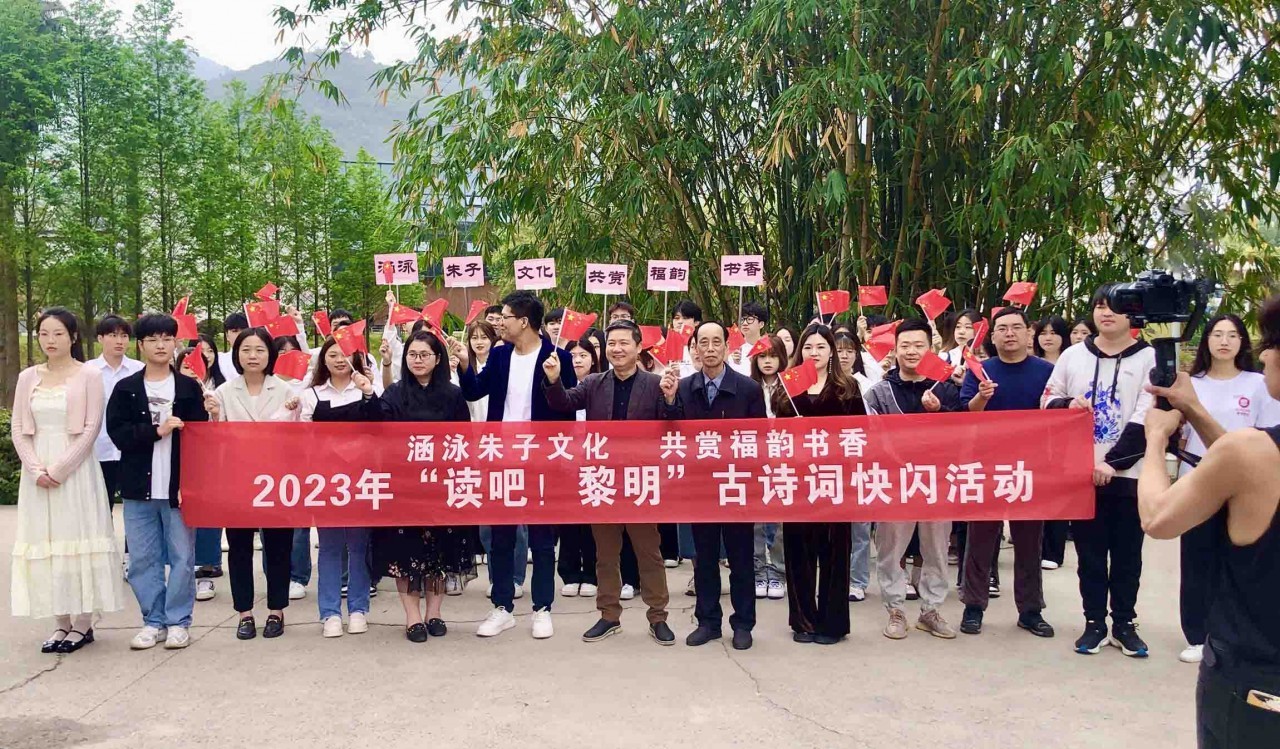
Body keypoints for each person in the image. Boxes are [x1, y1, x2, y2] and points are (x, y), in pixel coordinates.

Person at [1138, 294, 1280, 749]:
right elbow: (1240, 463)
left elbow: (1158, 518)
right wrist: (1196, 409)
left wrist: (1156, 440)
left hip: (1254, 683)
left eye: (1269, 343)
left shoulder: (1252, 453)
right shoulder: (1252, 454)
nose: (1263, 354)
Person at [544, 320, 676, 646]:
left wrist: (672, 398)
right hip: (602, 479)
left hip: (639, 480)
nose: (617, 349)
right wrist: (554, 380)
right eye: (612, 343)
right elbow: (564, 403)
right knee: (605, 554)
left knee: (649, 553)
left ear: (638, 347)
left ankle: (658, 617)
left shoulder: (655, 384)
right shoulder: (593, 383)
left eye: (624, 343)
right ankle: (608, 615)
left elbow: (672, 425)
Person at [1042, 285, 1156, 658]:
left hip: (1129, 474)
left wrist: (1113, 462)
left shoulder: (1149, 358)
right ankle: (1094, 622)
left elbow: (1148, 415)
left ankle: (1124, 623)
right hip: (1080, 472)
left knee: (1127, 555)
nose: (1106, 313)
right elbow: (1046, 400)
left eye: (1115, 307)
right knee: (1089, 555)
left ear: (1132, 314)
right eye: (1099, 306)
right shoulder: (1073, 355)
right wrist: (1066, 404)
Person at [456, 290, 576, 639]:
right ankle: (502, 607)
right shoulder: (500, 355)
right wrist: (464, 364)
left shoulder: (557, 357)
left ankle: (542, 608)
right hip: (501, 456)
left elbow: (568, 407)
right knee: (502, 536)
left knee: (541, 538)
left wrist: (554, 380)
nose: (500, 323)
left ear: (523, 321)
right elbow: (474, 391)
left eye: (506, 317)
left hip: (541, 459)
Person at [12, 308, 123, 654]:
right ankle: (60, 621)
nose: (50, 340)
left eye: (58, 333)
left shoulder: (88, 375)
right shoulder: (28, 377)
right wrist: (35, 469)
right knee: (45, 540)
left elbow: (91, 427)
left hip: (75, 471)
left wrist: (59, 469)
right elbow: (18, 427)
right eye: (44, 334)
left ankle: (83, 622)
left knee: (78, 537)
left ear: (73, 337)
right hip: (37, 471)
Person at [1171, 315, 1280, 664]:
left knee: (1237, 561)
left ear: (1243, 342)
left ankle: (1229, 632)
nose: (1224, 341)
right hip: (1198, 480)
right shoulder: (1191, 384)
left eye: (1232, 335)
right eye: (1217, 334)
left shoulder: (1259, 383)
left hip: (1247, 486)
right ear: (1206, 340)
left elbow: (1267, 435)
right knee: (1196, 560)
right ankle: (1196, 635)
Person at [108, 312, 210, 650]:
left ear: (175, 343)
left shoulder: (188, 387)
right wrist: (157, 430)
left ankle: (179, 621)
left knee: (182, 557)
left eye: (167, 338)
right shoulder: (126, 388)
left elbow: (202, 438)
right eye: (152, 339)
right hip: (138, 487)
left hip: (178, 488)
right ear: (141, 345)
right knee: (142, 559)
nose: (160, 345)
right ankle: (153, 621)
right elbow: (118, 434)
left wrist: (212, 414)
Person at [661, 320, 765, 650]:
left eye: (715, 342)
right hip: (700, 486)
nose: (709, 348)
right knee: (704, 558)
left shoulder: (748, 389)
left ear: (726, 347)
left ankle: (743, 623)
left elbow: (759, 440)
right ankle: (708, 622)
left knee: (740, 559)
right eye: (702, 342)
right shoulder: (684, 387)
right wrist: (668, 401)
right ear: (694, 348)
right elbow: (670, 432)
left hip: (736, 485)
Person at [958, 308, 1056, 638]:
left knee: (1029, 541)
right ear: (993, 336)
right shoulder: (980, 370)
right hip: (987, 465)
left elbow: (1057, 413)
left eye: (1016, 327)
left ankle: (1030, 610)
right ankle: (973, 606)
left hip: (1031, 467)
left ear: (1029, 334)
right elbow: (966, 415)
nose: (1009, 333)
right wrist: (981, 398)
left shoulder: (1047, 371)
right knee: (980, 539)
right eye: (1002, 328)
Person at [374, 331, 478, 642]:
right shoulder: (394, 394)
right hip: (404, 485)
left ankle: (434, 612)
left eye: (424, 355)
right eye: (412, 354)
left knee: (440, 552)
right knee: (406, 553)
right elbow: (379, 433)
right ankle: (413, 617)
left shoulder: (453, 395)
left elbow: (464, 440)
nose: (418, 360)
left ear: (437, 359)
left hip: (441, 485)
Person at [865, 318, 963, 640]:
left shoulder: (945, 388)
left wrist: (940, 412)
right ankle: (895, 609)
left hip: (937, 482)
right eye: (905, 345)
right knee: (891, 549)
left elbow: (964, 433)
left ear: (930, 347)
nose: (911, 351)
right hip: (895, 484)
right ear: (894, 349)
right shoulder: (879, 393)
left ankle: (931, 610)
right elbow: (868, 436)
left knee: (936, 548)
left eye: (918, 345)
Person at [204, 328, 300, 640]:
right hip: (238, 479)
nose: (253, 356)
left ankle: (276, 610)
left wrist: (294, 413)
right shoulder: (223, 392)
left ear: (269, 354)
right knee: (239, 547)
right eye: (246, 350)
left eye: (259, 350)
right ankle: (244, 612)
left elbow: (298, 437)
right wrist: (214, 416)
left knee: (278, 546)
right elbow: (213, 440)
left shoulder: (284, 390)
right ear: (237, 354)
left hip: (276, 479)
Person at [771, 324, 862, 644]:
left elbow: (859, 435)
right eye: (808, 347)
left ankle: (832, 624)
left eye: (821, 347)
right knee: (799, 552)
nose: (814, 353)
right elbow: (776, 438)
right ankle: (803, 621)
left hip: (835, 481)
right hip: (797, 481)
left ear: (831, 352)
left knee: (835, 553)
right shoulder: (787, 387)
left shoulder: (847, 387)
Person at [300, 338, 382, 638]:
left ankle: (359, 609)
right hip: (326, 479)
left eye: (344, 355)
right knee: (330, 547)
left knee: (359, 546)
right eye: (332, 354)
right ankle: (330, 612)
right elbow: (302, 439)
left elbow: (381, 426)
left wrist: (369, 392)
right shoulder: (311, 394)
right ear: (323, 360)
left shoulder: (366, 389)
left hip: (361, 478)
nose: (338, 360)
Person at [558, 338, 600, 598]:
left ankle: (592, 573)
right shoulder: (560, 388)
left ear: (593, 359)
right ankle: (570, 573)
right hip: (566, 461)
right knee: (569, 520)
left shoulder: (601, 386)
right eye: (572, 355)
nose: (577, 360)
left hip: (596, 461)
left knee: (593, 522)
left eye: (583, 355)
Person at [89, 315, 143, 510]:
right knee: (100, 510)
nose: (119, 341)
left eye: (124, 336)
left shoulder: (139, 370)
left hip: (131, 450)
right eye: (113, 335)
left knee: (136, 508)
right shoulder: (87, 371)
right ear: (100, 338)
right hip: (98, 450)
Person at [749, 335, 788, 601]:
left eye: (773, 356)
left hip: (783, 459)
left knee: (779, 520)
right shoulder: (748, 386)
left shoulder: (791, 388)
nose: (767, 361)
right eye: (762, 356)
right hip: (754, 459)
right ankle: (758, 570)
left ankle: (778, 570)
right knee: (755, 519)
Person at [1033, 315, 1074, 571]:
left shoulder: (1072, 362)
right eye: (1043, 333)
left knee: (1059, 492)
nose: (1048, 338)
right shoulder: (1032, 364)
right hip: (1035, 438)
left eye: (1053, 332)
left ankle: (1053, 551)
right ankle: (1034, 548)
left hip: (1064, 437)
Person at [465, 320, 498, 423]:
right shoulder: (464, 367)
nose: (479, 342)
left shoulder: (498, 365)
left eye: (484, 338)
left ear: (492, 339)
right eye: (474, 338)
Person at [217, 312, 248, 382]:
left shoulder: (261, 359)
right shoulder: (219, 360)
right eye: (235, 331)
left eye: (244, 330)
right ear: (227, 335)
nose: (240, 334)